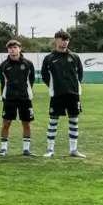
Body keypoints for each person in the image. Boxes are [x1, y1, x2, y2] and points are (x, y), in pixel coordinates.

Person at [41, 30, 85, 158]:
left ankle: (73, 150)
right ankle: (50, 150)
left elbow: (79, 75)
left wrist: (73, 86)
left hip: (73, 94)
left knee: (74, 120)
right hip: (57, 95)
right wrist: (54, 86)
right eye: (63, 39)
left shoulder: (75, 57)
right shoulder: (49, 58)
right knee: (53, 121)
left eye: (67, 40)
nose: (65, 42)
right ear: (56, 40)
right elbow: (45, 76)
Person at [0, 40, 36, 156]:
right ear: (7, 50)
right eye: (10, 48)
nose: (12, 50)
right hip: (10, 98)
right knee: (6, 122)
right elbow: (3, 82)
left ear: (19, 49)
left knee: (26, 123)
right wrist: (4, 96)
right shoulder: (4, 65)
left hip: (25, 98)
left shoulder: (28, 64)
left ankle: (26, 149)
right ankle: (3, 149)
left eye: (15, 47)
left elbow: (31, 80)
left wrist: (26, 91)